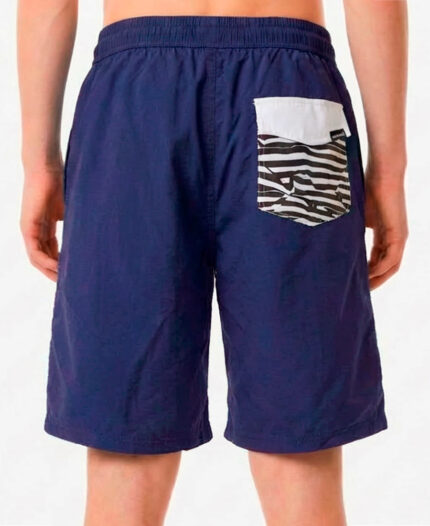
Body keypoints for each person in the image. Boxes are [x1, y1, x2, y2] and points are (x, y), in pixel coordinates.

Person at [17, 0, 408, 524]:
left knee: (127, 434)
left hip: (135, 102)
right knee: (299, 433)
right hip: (294, 92)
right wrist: (388, 171)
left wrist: (39, 164)